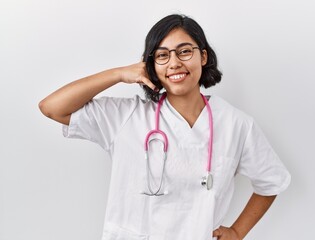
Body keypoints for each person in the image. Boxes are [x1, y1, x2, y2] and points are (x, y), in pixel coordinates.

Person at [39, 14, 291, 240]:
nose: (174, 63)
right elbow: (52, 107)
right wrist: (118, 73)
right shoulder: (126, 116)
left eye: (184, 52)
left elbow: (272, 181)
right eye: (162, 55)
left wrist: (237, 232)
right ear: (150, 65)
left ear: (203, 56)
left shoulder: (235, 124)